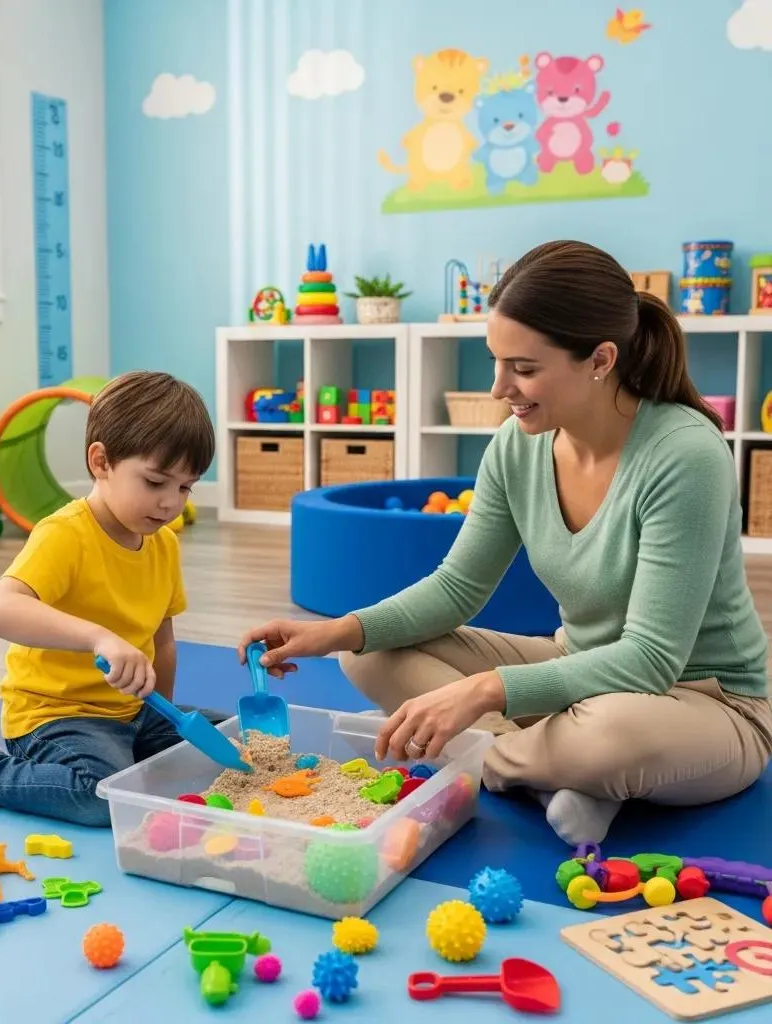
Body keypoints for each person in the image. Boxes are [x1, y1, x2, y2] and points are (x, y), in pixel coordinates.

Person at [239, 240, 772, 846]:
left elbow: (650, 660)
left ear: (600, 359)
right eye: (496, 361)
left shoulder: (685, 454)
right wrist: (333, 631)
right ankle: (547, 773)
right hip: (576, 674)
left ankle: (481, 753)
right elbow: (456, 588)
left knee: (609, 735)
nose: (499, 388)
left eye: (524, 368)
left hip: (699, 702)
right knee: (368, 651)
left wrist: (483, 691)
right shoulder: (517, 446)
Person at [0, 370, 222, 827]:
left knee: (230, 742)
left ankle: (137, 754)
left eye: (185, 487)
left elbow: (162, 641)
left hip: (132, 712)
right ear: (101, 461)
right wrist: (98, 637)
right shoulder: (65, 534)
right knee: (99, 798)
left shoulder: (163, 543)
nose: (170, 503)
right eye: (154, 482)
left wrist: (162, 719)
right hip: (56, 716)